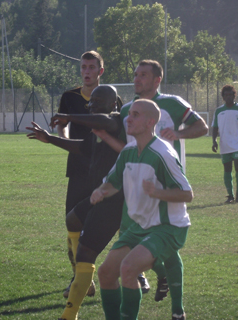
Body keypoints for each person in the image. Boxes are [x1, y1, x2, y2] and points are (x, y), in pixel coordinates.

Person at [92, 60, 207, 319]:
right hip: (139, 220)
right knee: (106, 273)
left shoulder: (164, 148)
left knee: (130, 268)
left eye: (134, 115)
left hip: (168, 222)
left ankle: (176, 308)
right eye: (135, 74)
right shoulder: (130, 150)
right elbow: (114, 179)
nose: (127, 118)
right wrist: (102, 190)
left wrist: (157, 192)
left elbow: (188, 194)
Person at [27, 85, 125, 320]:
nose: (93, 106)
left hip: (114, 200)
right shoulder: (98, 130)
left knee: (85, 255)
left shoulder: (116, 122)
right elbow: (81, 147)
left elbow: (103, 118)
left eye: (99, 102)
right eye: (91, 102)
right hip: (99, 195)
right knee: (72, 219)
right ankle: (85, 281)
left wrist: (68, 116)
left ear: (113, 104)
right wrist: (50, 139)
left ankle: (69, 315)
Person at [55, 51, 130, 298]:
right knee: (72, 221)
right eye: (83, 67)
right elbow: (63, 126)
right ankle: (79, 277)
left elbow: (108, 122)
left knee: (113, 221)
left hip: (106, 169)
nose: (86, 71)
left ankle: (135, 269)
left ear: (100, 71)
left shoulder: (113, 99)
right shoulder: (70, 96)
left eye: (91, 67)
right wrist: (61, 137)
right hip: (79, 164)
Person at [212, 84, 238, 203]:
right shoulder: (219, 111)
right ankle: (230, 196)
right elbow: (215, 127)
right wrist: (214, 140)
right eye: (226, 95)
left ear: (234, 95)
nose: (229, 97)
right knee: (227, 169)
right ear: (223, 97)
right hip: (225, 144)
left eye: (231, 94)